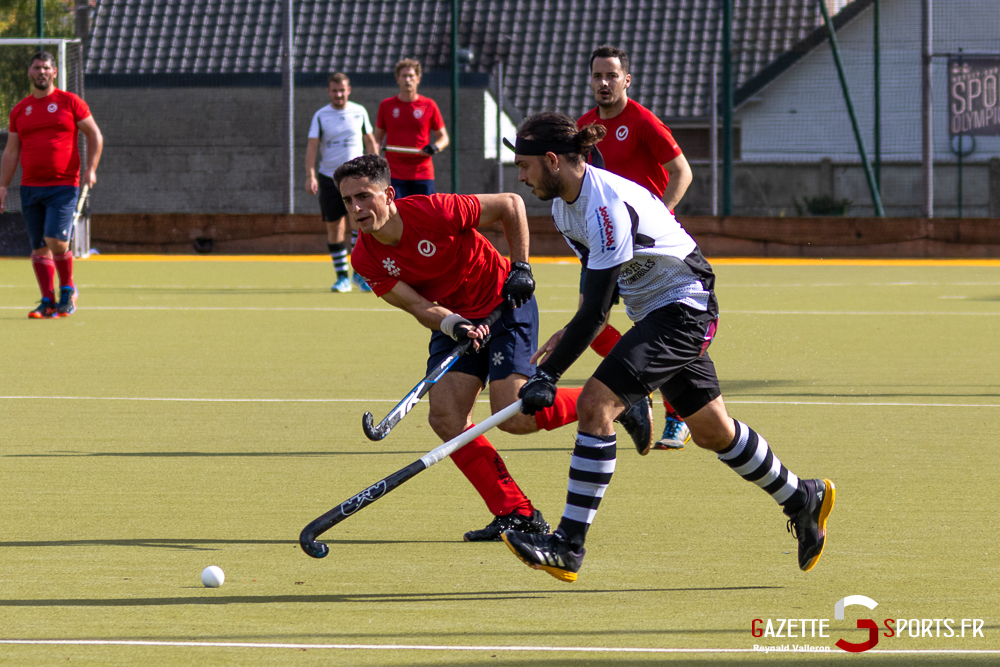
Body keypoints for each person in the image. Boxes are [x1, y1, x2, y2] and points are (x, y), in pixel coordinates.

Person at [500, 112, 835, 582]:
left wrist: (548, 375)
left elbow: (597, 313)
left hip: (684, 307)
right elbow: (598, 288)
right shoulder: (563, 207)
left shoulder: (605, 205)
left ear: (553, 160)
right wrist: (571, 331)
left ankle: (568, 545)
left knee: (596, 405)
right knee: (712, 431)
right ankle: (803, 497)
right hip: (654, 312)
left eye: (525, 165)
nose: (521, 175)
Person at [334, 154, 652, 541]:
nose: (356, 208)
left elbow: (510, 204)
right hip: (455, 320)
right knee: (446, 416)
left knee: (512, 414)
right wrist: (454, 324)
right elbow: (418, 305)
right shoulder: (365, 257)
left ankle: (617, 401)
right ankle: (516, 513)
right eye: (348, 201)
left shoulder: (434, 210)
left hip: (507, 304)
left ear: (388, 194)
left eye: (364, 197)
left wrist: (521, 269)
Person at [579, 45, 696, 452]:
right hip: (607, 245)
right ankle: (637, 392)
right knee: (591, 322)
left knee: (661, 330)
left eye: (612, 75)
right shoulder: (585, 127)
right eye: (598, 76)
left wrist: (660, 216)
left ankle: (678, 417)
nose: (604, 83)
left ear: (626, 80)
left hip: (650, 250)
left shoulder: (642, 121)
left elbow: (682, 171)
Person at [0, 51, 103, 318]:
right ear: (29, 73)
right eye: (37, 68)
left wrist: (91, 169)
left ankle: (67, 288)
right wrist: (2, 186)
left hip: (64, 185)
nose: (41, 72)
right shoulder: (20, 110)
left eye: (46, 67)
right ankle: (47, 301)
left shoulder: (70, 102)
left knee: (55, 239)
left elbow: (95, 135)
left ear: (54, 72)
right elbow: (11, 152)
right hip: (30, 188)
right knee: (38, 246)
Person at [305, 72, 379, 293]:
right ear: (329, 92)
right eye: (334, 91)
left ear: (349, 90)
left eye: (342, 90)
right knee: (335, 228)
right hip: (329, 179)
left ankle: (359, 274)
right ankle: (341, 278)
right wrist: (310, 175)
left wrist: (375, 172)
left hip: (356, 180)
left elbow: (370, 142)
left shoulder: (360, 112)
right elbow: (312, 148)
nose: (338, 94)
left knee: (360, 226)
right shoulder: (320, 116)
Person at [374, 59, 448, 198]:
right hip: (394, 173)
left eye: (411, 76)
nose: (407, 80)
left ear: (418, 79)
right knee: (398, 215)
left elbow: (444, 138)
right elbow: (377, 139)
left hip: (422, 172)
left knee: (424, 216)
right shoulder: (386, 105)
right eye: (404, 76)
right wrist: (375, 161)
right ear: (397, 79)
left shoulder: (429, 105)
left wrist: (435, 147)